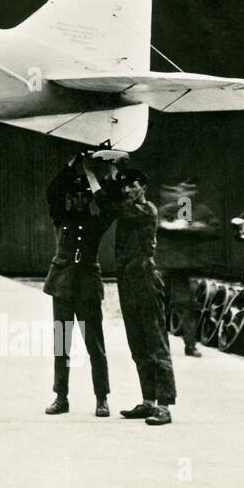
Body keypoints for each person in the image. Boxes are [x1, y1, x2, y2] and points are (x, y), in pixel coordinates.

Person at [88, 165, 176, 426]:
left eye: (133, 185)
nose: (128, 190)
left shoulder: (146, 210)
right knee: (137, 342)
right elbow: (114, 198)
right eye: (125, 186)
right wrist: (114, 171)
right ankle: (148, 401)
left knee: (156, 342)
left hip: (146, 278)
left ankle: (164, 405)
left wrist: (93, 177)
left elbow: (111, 205)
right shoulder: (129, 206)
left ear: (143, 187)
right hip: (128, 279)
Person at [43, 150, 117, 418]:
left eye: (80, 197)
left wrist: (91, 174)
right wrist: (71, 164)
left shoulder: (95, 222)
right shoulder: (60, 218)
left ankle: (102, 398)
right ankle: (60, 397)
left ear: (87, 199)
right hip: (62, 285)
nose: (75, 201)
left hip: (86, 285)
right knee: (61, 344)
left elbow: (109, 208)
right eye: (71, 197)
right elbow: (53, 191)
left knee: (94, 345)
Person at [156, 178, 222, 357]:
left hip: (188, 268)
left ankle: (189, 344)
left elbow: (215, 230)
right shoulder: (168, 211)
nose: (186, 196)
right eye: (183, 193)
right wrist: (171, 226)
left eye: (189, 193)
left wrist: (193, 228)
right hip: (168, 267)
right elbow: (156, 225)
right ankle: (163, 346)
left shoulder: (201, 211)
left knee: (185, 306)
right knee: (162, 306)